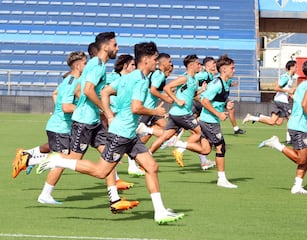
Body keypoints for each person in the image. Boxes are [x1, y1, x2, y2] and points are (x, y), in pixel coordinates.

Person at [36, 41, 185, 224]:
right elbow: (136, 107)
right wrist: (156, 112)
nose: (157, 62)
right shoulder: (138, 79)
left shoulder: (131, 77)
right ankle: (58, 160)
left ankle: (160, 211)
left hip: (128, 133)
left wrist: (109, 115)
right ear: (146, 60)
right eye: (155, 59)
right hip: (120, 134)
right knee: (101, 171)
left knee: (152, 167)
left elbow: (106, 91)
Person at [12, 51, 87, 186]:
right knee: (62, 158)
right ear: (77, 65)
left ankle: (28, 156)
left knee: (65, 156)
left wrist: (59, 110)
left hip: (61, 126)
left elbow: (56, 93)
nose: (87, 66)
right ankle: (28, 160)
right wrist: (82, 110)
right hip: (60, 127)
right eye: (85, 63)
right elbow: (66, 107)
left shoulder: (70, 80)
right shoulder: (73, 81)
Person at [164, 55, 238, 188]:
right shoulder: (217, 83)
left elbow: (211, 99)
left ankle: (179, 143)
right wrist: (218, 114)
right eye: (232, 68)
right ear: (224, 69)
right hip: (209, 121)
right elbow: (204, 101)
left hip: (208, 120)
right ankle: (222, 179)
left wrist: (226, 106)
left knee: (205, 150)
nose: (234, 70)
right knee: (221, 147)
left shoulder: (226, 82)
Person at [258, 58, 307, 194]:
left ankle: (297, 186)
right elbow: (304, 105)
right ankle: (276, 144)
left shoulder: (304, 84)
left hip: (301, 125)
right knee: (301, 158)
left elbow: (302, 104)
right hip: (298, 126)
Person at [148, 54, 204, 168]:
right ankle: (179, 147)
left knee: (164, 137)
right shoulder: (184, 78)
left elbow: (191, 95)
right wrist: (177, 100)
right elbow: (166, 88)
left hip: (176, 114)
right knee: (200, 132)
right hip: (182, 114)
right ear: (191, 65)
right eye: (198, 64)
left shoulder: (193, 79)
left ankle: (146, 157)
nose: (200, 66)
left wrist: (202, 90)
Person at [105, 54, 145, 177]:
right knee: (108, 151)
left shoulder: (131, 79)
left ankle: (131, 167)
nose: (135, 67)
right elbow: (104, 92)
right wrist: (108, 114)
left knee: (129, 139)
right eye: (132, 65)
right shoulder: (114, 77)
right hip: (114, 115)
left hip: (122, 115)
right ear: (125, 65)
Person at [242, 60, 297, 143]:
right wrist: (288, 91)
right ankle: (289, 139)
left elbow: (283, 89)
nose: (296, 68)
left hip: (280, 101)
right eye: (296, 67)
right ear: (292, 67)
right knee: (291, 119)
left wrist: (290, 95)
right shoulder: (286, 77)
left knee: (276, 122)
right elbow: (276, 88)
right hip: (281, 102)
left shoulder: (290, 77)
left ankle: (252, 117)